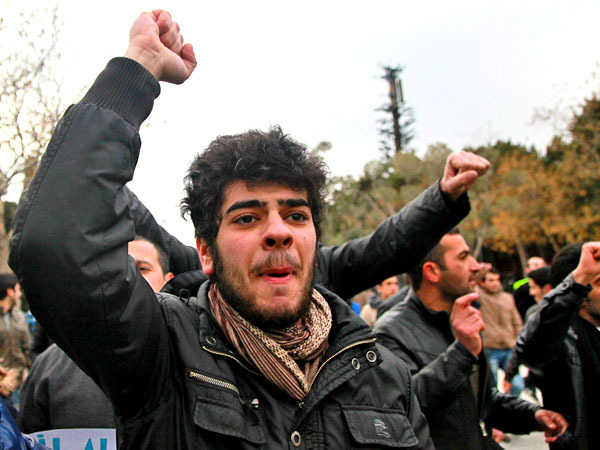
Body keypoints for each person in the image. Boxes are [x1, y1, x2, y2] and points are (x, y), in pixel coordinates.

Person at [8, 10, 491, 449]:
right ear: (205, 252)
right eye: (247, 218)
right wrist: (137, 70)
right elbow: (58, 242)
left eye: (296, 215)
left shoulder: (383, 375)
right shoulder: (163, 356)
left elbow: (382, 248)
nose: (278, 232)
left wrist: (442, 201)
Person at [374, 230, 568, 449]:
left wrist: (533, 415)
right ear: (432, 272)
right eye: (464, 257)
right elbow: (400, 407)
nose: (476, 266)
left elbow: (483, 403)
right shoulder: (391, 331)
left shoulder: (460, 318)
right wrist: (462, 352)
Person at [18, 236, 173, 433]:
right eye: (116, 268)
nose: (128, 277)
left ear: (168, 280)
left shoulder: (192, 358)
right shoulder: (50, 364)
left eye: (142, 268)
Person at [517, 242, 600, 449]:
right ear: (580, 292)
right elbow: (530, 349)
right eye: (599, 281)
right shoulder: (560, 340)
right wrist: (579, 278)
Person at [503, 266, 552, 397]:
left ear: (547, 288)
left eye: (533, 288)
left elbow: (522, 343)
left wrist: (509, 374)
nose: (531, 293)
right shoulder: (534, 312)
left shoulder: (536, 314)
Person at [476, 267, 524, 396]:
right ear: (482, 283)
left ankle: (511, 405)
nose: (495, 283)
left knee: (517, 384)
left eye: (497, 280)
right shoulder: (479, 297)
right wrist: (481, 272)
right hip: (489, 347)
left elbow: (516, 321)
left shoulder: (507, 298)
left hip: (509, 346)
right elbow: (470, 286)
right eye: (491, 280)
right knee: (491, 386)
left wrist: (519, 340)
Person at [0, 273, 31, 410]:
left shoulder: (19, 317)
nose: (20, 294)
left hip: (18, 386)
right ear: (9, 292)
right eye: (18, 290)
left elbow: (28, 349)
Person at [513, 256, 547, 321]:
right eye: (536, 265)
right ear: (527, 269)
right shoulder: (521, 288)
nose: (540, 267)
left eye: (543, 264)